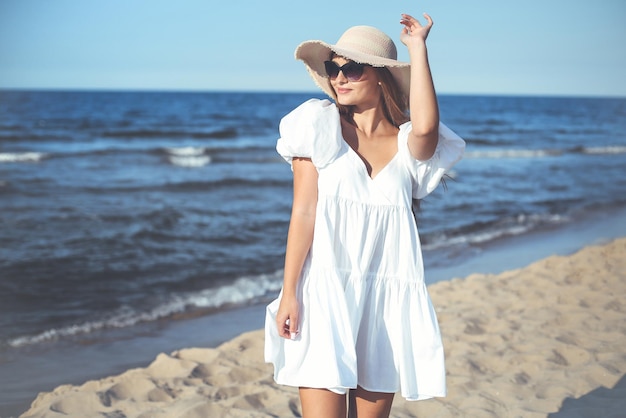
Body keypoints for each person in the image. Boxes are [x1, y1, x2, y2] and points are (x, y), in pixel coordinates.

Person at [264, 11, 465, 418]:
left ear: (381, 77)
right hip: (324, 294)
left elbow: (426, 128)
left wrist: (418, 49)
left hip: (385, 302)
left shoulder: (408, 145)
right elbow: (303, 213)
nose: (339, 78)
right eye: (333, 68)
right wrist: (289, 293)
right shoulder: (318, 126)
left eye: (352, 68)